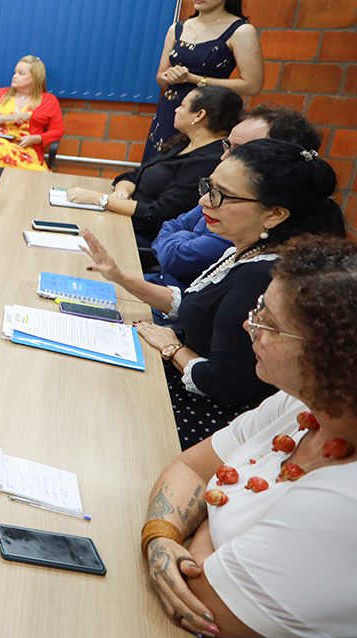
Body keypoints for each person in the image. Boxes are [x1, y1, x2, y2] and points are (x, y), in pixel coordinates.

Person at [139, 235, 357, 638]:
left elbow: (208, 607)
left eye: (269, 323)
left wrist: (201, 525)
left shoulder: (345, 502)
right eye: (259, 307)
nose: (248, 324)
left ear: (333, 357)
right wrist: (163, 534)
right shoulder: (299, 404)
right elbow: (189, 466)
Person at [81, 140, 343, 448]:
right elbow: (197, 305)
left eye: (221, 195)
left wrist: (172, 349)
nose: (205, 200)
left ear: (274, 215)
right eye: (208, 186)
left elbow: (222, 382)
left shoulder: (262, 278)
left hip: (208, 418)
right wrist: (121, 277)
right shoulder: (247, 249)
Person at [151, 107, 325, 291]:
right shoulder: (226, 192)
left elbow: (178, 259)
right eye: (227, 145)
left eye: (239, 151)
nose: (223, 156)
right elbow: (172, 224)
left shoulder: (250, 215)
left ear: (278, 159)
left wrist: (181, 237)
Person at [65, 86, 243, 244]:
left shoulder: (208, 161)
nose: (176, 110)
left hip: (143, 236)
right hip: (124, 218)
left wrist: (101, 199)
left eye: (182, 106)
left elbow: (158, 215)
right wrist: (123, 191)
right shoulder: (183, 144)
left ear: (199, 115)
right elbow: (134, 174)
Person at [143, 0, 263, 162]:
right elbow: (160, 78)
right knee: (155, 168)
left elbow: (252, 85)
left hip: (208, 116)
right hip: (172, 111)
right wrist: (168, 76)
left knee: (191, 170)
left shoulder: (241, 30)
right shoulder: (178, 28)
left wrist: (196, 79)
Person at [0, 55, 64, 171]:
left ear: (35, 78)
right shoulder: (0, 94)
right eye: (15, 72)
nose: (15, 76)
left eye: (21, 74)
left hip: (25, 148)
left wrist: (37, 138)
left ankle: (38, 175)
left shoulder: (48, 100)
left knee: (36, 175)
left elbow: (58, 131)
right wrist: (10, 118)